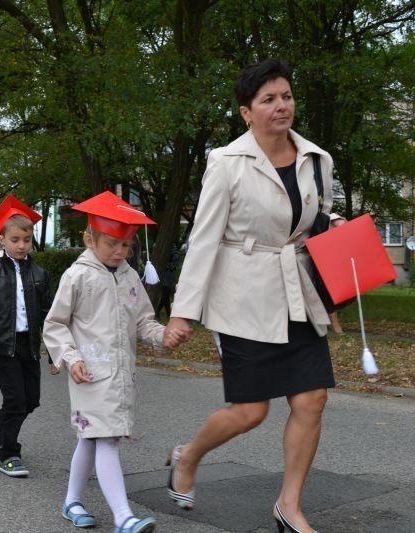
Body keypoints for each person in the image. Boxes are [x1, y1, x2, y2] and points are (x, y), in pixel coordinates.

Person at [162, 59, 342, 533]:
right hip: (241, 297)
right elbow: (203, 239)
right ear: (247, 112)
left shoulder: (316, 159)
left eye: (286, 96)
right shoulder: (226, 163)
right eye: (268, 100)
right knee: (250, 411)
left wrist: (337, 231)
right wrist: (184, 312)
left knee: (312, 399)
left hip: (298, 292)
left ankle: (289, 505)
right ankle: (188, 454)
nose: (281, 106)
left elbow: (319, 217)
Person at [43, 191, 164, 533]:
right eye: (112, 243)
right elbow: (54, 324)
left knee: (91, 438)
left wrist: (163, 335)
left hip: (120, 374)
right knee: (107, 438)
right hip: (89, 373)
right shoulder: (77, 276)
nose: (119, 251)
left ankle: (71, 501)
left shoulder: (128, 276)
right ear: (89, 237)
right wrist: (70, 357)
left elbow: (143, 321)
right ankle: (124, 517)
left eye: (125, 245)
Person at [0, 195, 51, 477]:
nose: (21, 245)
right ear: (1, 239)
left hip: (29, 346)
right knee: (15, 399)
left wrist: (54, 352)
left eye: (26, 240)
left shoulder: (38, 272)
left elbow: (48, 314)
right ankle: (9, 452)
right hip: (3, 346)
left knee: (31, 400)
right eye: (15, 239)